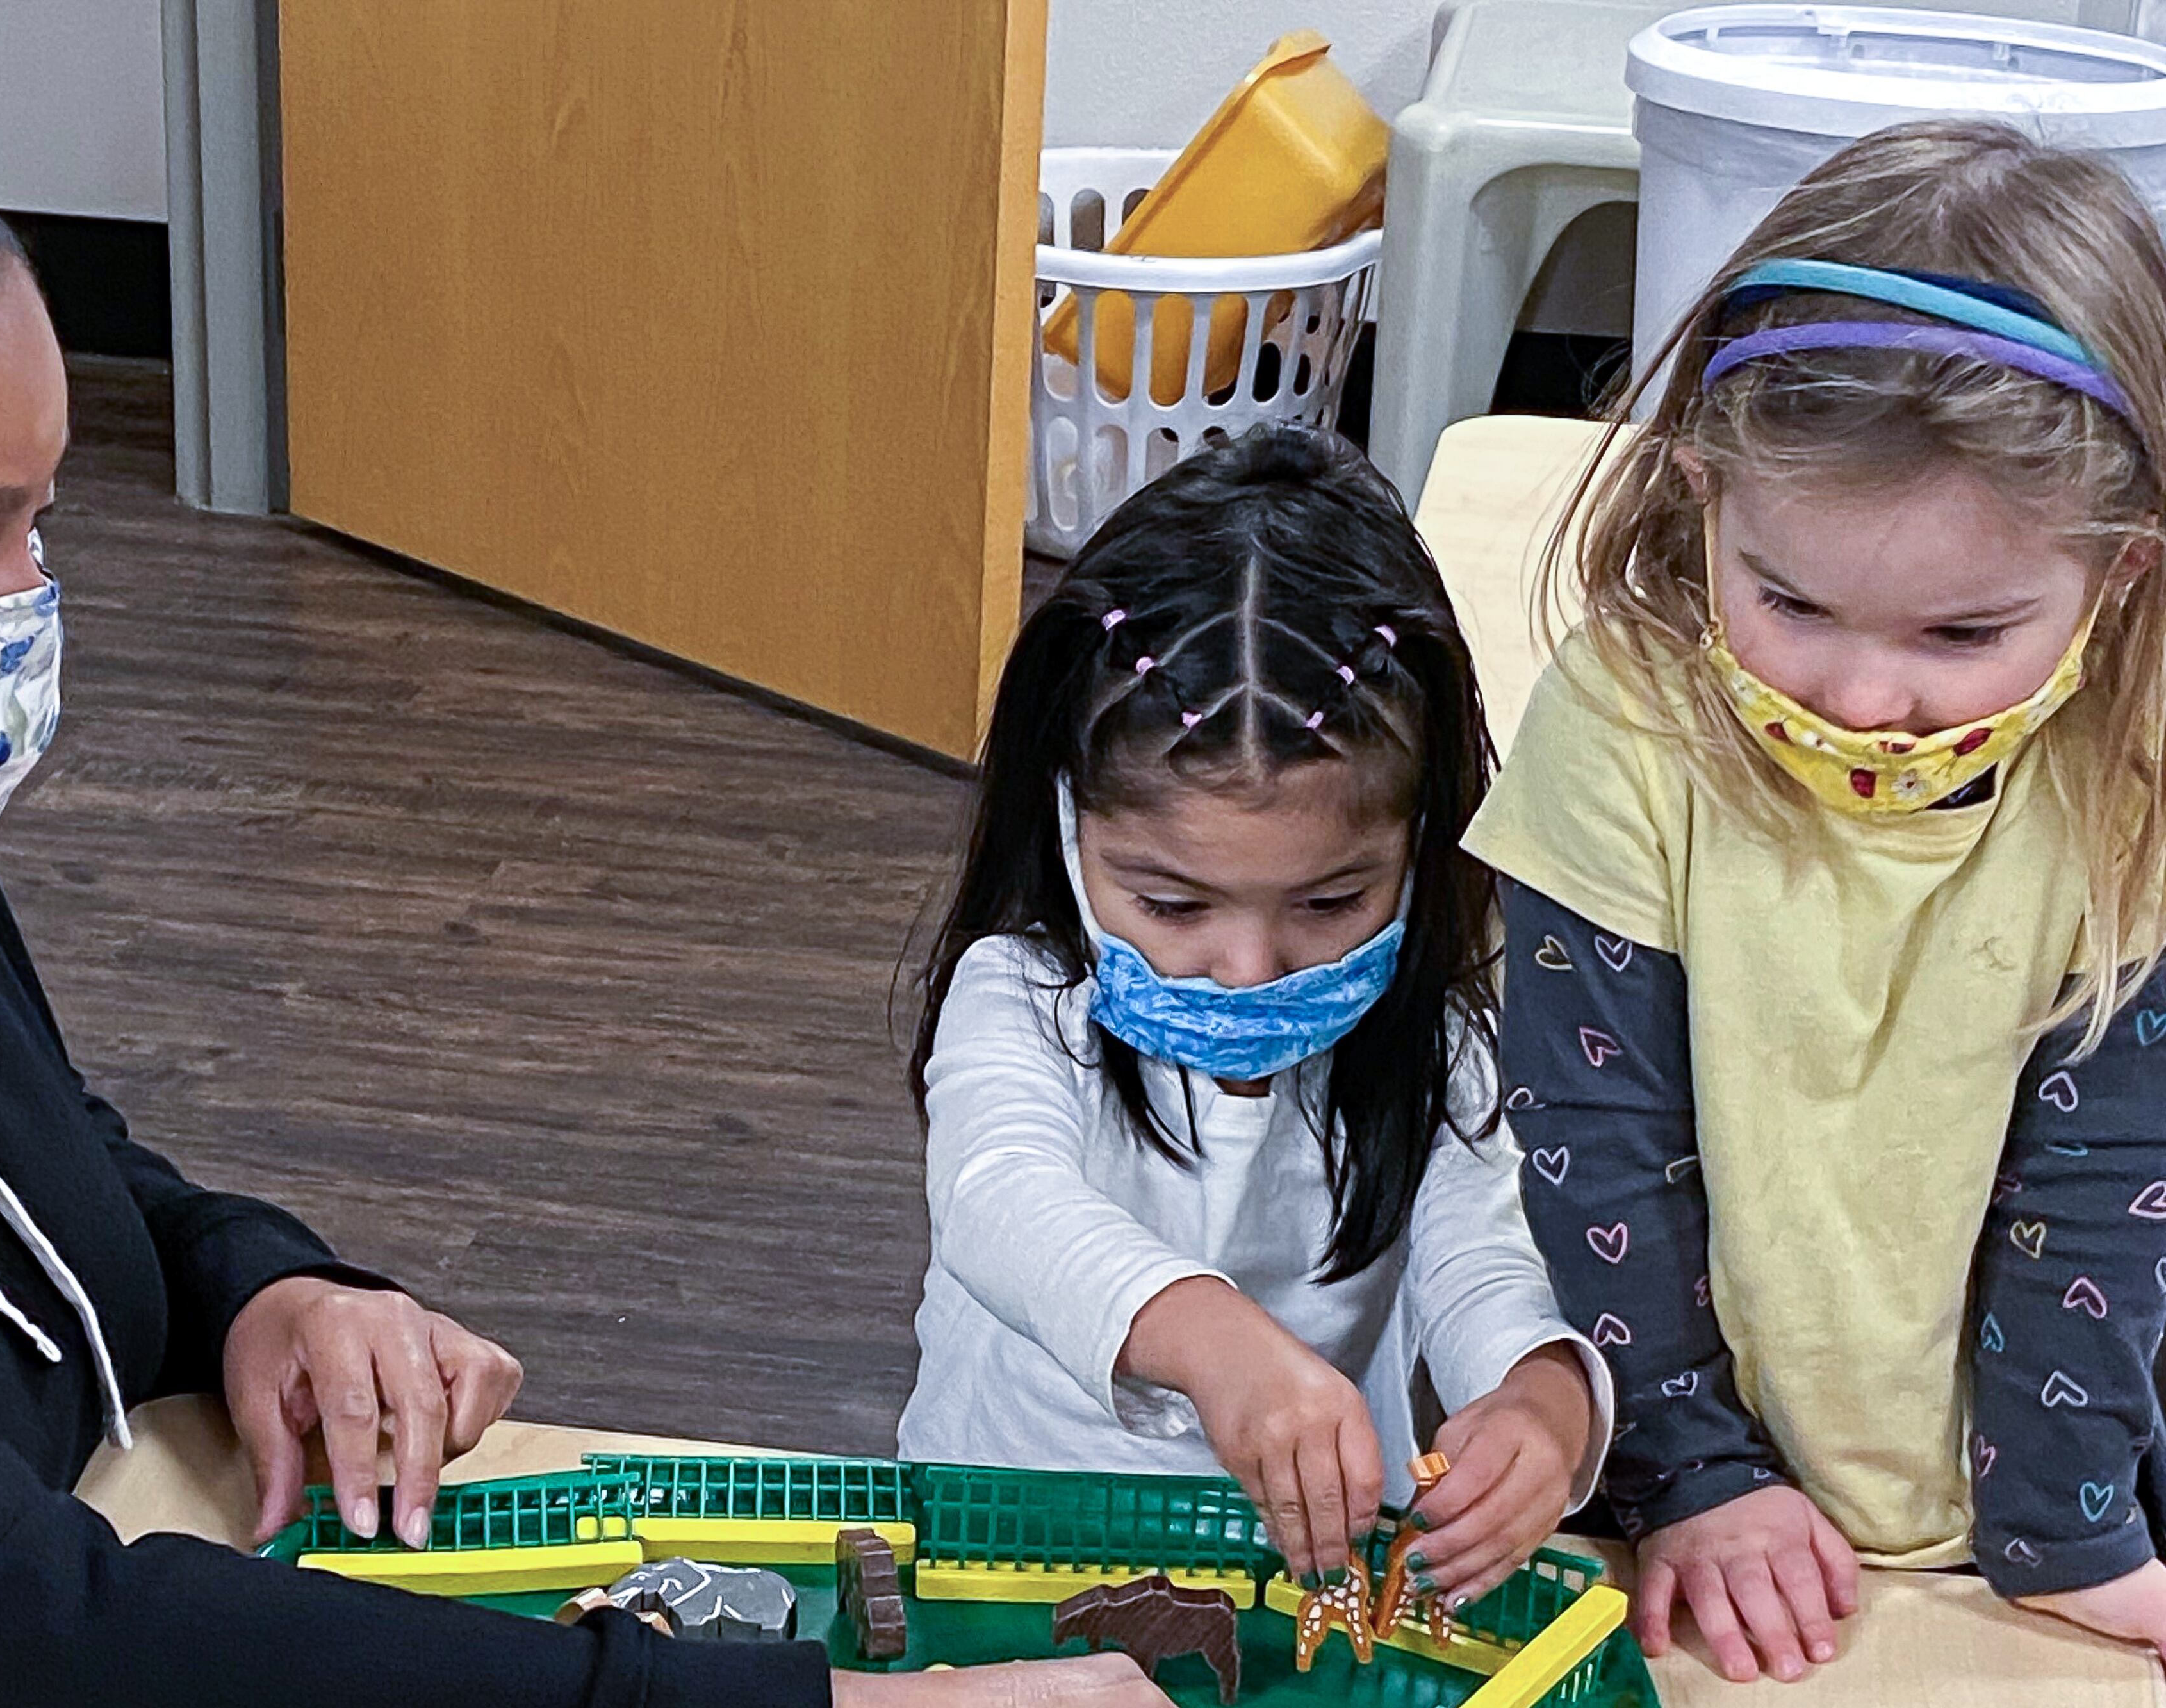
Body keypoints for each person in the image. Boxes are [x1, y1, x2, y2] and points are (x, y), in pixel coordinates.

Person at [0, 67, 1171, 1708]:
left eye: (37, 530)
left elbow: (29, 1169)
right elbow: (10, 1628)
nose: (13, 621)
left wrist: (256, 1285)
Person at [1467, 119, 2166, 1684]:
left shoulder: (2134, 747)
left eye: (1960, 632)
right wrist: (1691, 1469)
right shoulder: (1626, 719)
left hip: (2056, 1456)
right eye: (1784, 598)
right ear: (1701, 491)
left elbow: (2108, 1172)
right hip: (1676, 1450)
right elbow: (1592, 1147)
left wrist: (2064, 1528)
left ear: (2118, 569)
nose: (1862, 695)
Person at [897, 426, 1612, 1611]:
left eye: (1333, 900)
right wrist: (1210, 1337)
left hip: (1295, 1573)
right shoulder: (1022, 995)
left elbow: (1483, 1259)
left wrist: (1540, 1397)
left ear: (1425, 850)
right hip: (1003, 1537)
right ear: (1069, 828)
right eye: (1170, 901)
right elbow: (998, 1196)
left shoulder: (1436, 1040)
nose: (1246, 968)